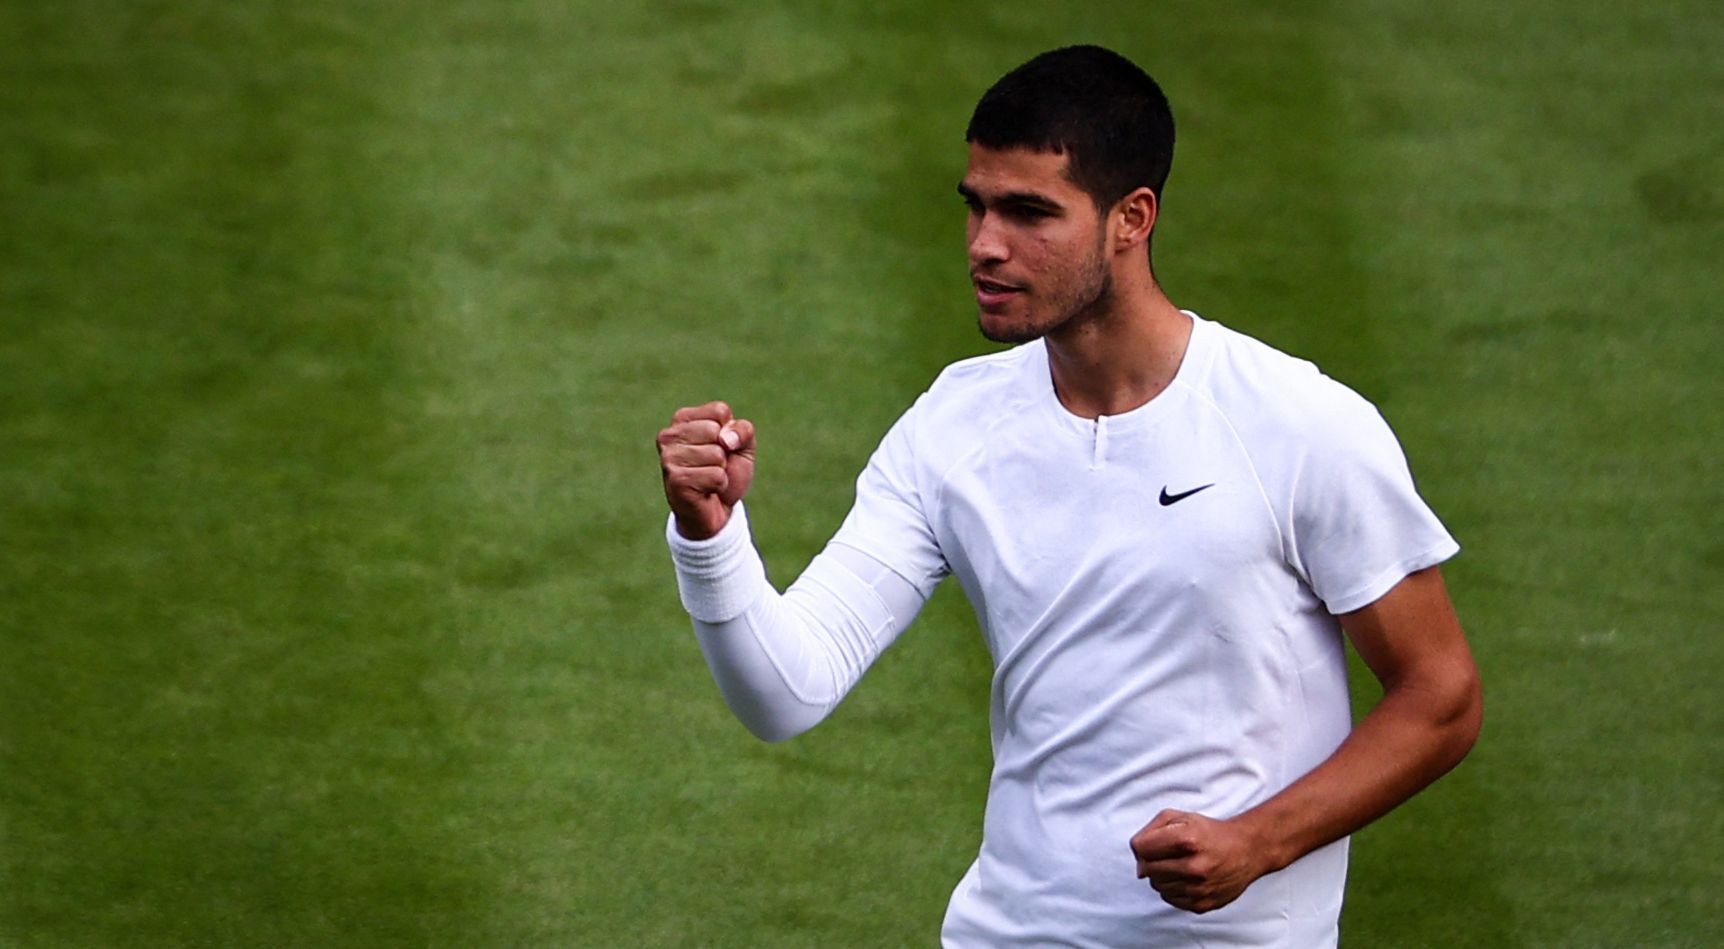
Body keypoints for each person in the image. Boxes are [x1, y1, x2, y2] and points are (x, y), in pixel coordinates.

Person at [655, 45, 1481, 948]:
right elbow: (787, 690)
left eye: (1028, 213)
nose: (984, 244)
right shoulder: (952, 425)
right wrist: (712, 538)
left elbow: (1440, 693)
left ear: (1132, 218)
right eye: (974, 205)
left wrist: (1261, 841)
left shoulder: (1301, 426)